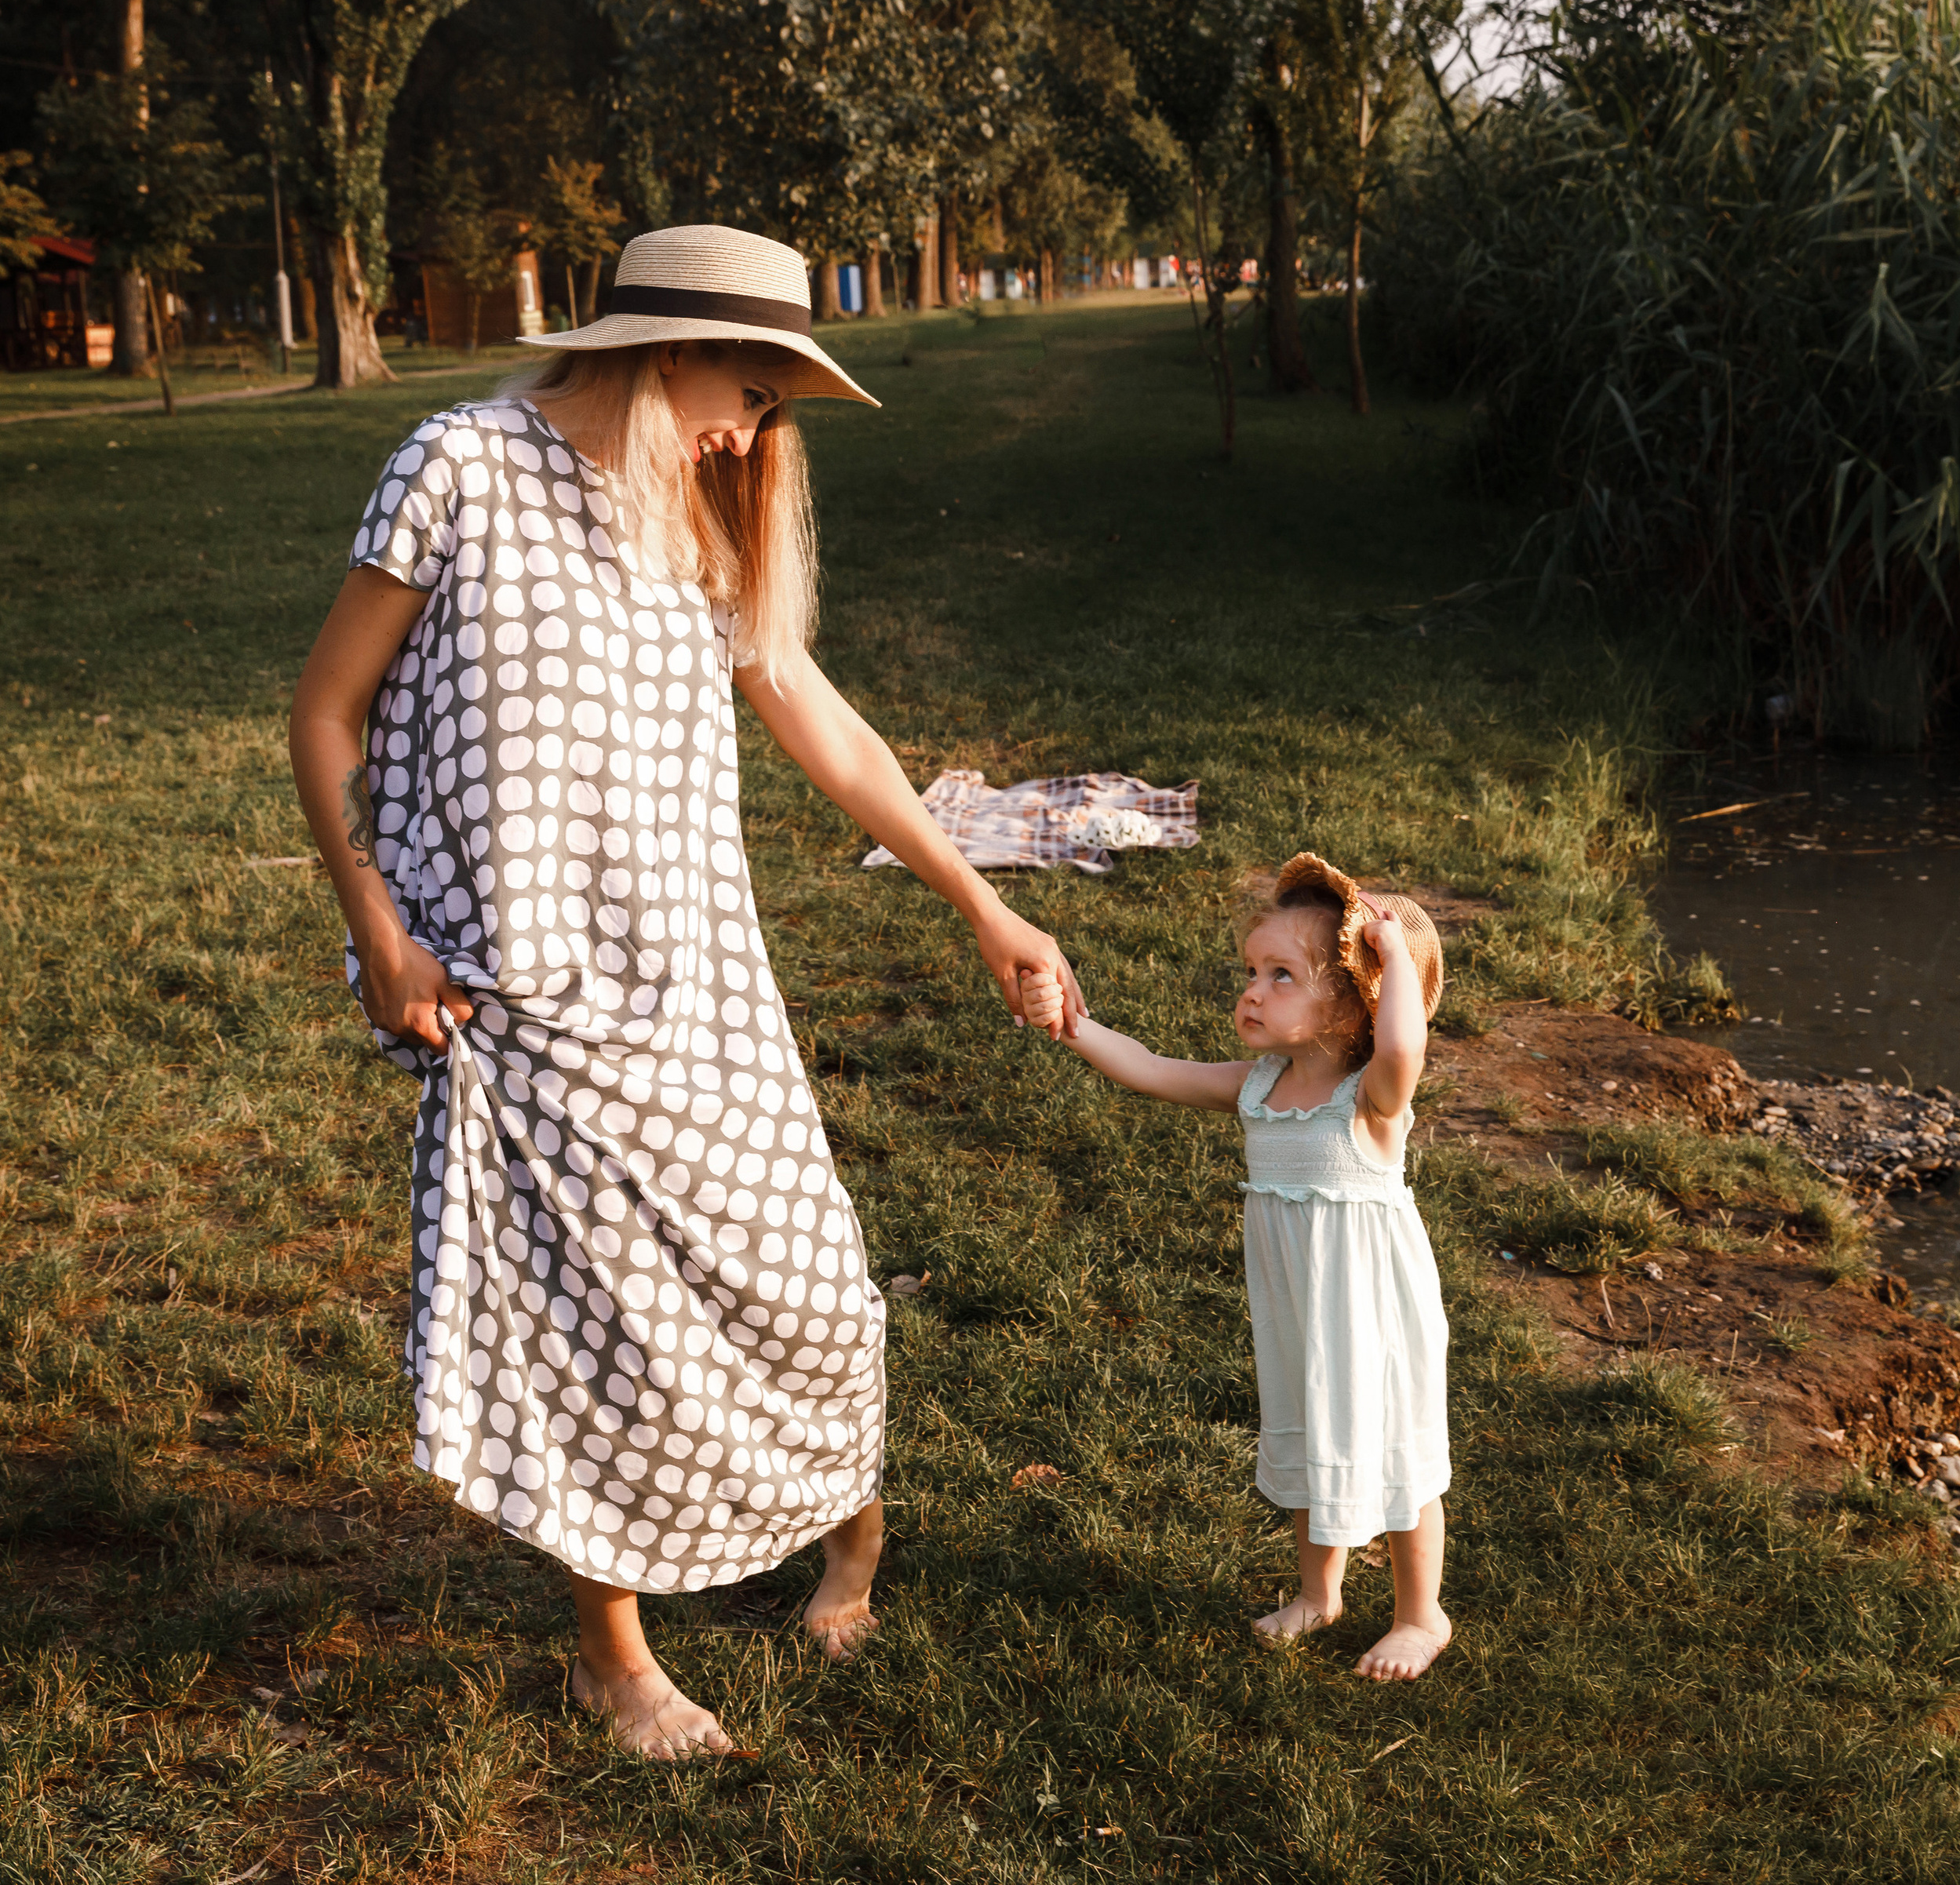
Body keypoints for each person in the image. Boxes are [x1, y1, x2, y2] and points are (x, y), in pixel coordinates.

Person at [290, 224, 1085, 1759]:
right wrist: (375, 927)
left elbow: (822, 720)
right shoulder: (453, 467)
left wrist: (977, 898)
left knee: (810, 1286)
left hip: (706, 985)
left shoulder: (699, 511)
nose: (755, 428)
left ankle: (847, 1529)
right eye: (748, 383)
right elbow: (325, 707)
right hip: (526, 1001)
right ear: (663, 348)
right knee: (601, 1328)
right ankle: (612, 1653)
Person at [1018, 854, 1452, 1680]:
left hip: (1373, 1314)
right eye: (1251, 971)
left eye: (1280, 975)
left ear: (1351, 1001)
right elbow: (1150, 1067)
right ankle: (1319, 1593)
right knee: (1305, 1432)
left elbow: (1405, 1041)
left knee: (1398, 1449)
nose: (1252, 990)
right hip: (1298, 1312)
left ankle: (1419, 1613)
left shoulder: (1371, 1098)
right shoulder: (1257, 1089)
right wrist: (1072, 1025)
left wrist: (1394, 957)